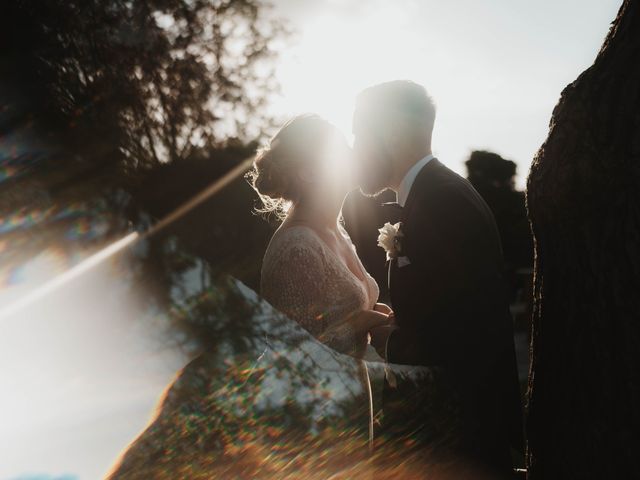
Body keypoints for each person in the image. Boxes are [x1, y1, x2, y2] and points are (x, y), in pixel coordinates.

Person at [352, 80, 524, 478]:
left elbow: (461, 339)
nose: (354, 148)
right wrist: (396, 318)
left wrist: (383, 336)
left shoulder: (443, 202)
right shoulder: (432, 196)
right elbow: (448, 307)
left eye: (361, 132)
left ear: (392, 131)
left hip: (459, 443)